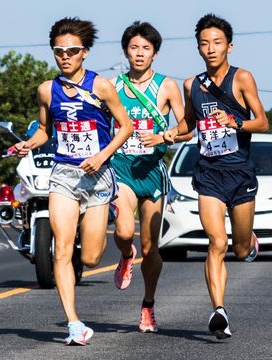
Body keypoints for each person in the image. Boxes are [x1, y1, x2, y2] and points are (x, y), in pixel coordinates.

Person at [13, 17, 132, 346]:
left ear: (85, 53)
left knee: (91, 257)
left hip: (97, 175)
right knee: (62, 250)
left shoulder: (102, 87)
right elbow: (43, 130)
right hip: (64, 176)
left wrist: (101, 155)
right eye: (59, 51)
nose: (65, 56)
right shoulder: (46, 90)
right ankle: (74, 324)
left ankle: (113, 228)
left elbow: (125, 127)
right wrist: (30, 143)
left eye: (72, 51)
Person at [164, 13, 269, 340]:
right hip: (208, 173)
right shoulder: (191, 85)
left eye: (217, 43)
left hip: (239, 172)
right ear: (198, 48)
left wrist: (234, 123)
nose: (211, 49)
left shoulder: (242, 79)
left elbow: (263, 122)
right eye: (204, 43)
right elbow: (190, 124)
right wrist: (172, 134)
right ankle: (219, 311)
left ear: (229, 46)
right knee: (216, 243)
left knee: (238, 249)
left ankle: (248, 238)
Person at [109, 21, 192, 333]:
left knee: (150, 248)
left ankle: (148, 305)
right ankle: (124, 253)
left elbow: (186, 128)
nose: (139, 53)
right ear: (126, 51)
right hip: (122, 168)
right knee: (122, 229)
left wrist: (164, 136)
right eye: (134, 48)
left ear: (155, 53)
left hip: (153, 172)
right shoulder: (113, 86)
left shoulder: (167, 86)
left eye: (145, 48)